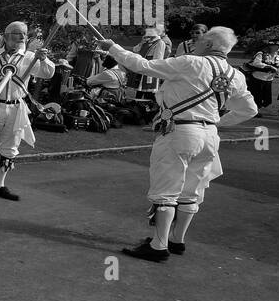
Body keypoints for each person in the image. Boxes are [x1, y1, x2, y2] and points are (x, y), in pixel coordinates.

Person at [99, 26, 256, 262]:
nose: (197, 40)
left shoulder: (191, 62)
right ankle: (177, 240)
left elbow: (143, 65)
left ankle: (159, 245)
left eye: (202, 38)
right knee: (191, 191)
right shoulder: (237, 75)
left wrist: (113, 47)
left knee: (166, 190)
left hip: (181, 132)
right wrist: (218, 122)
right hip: (210, 136)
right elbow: (249, 110)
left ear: (211, 44)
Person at [0, 21, 55, 203]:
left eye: (24, 33)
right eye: (16, 33)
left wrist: (44, 58)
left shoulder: (31, 57)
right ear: (5, 36)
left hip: (16, 107)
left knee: (10, 147)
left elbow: (48, 73)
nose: (22, 36)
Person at [245, 41, 279, 116]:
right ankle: (255, 111)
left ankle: (252, 109)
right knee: (257, 97)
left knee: (268, 100)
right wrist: (269, 67)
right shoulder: (261, 54)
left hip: (269, 79)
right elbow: (256, 63)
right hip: (257, 78)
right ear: (271, 46)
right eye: (277, 45)